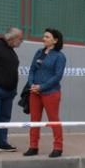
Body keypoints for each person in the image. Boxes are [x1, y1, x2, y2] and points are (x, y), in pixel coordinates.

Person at [24, 28, 66, 158]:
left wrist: (41, 87)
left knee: (54, 120)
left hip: (51, 93)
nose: (44, 39)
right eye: (44, 36)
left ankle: (58, 147)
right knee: (34, 121)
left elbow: (57, 76)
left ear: (55, 40)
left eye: (47, 37)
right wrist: (32, 85)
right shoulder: (38, 52)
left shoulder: (60, 56)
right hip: (34, 92)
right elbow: (31, 70)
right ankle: (33, 146)